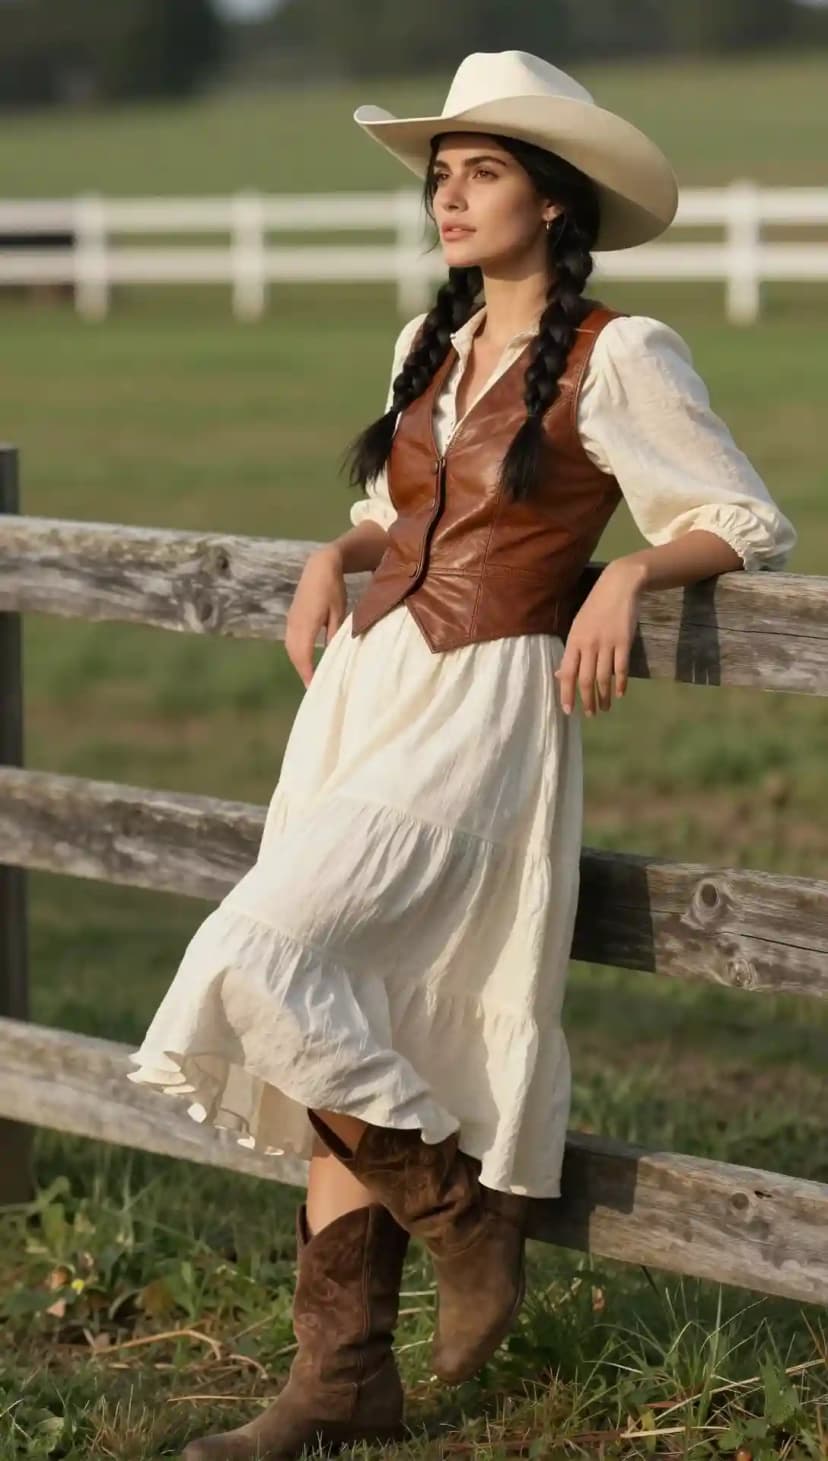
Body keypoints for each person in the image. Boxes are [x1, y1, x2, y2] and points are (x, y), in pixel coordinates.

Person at [126, 50, 798, 1461]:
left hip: (483, 710)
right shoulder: (425, 343)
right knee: (339, 996)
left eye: (482, 171)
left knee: (259, 954)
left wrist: (629, 574)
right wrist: (338, 551)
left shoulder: (622, 352)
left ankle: (460, 1213)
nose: (449, 194)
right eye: (442, 173)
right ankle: (340, 1382)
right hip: (365, 695)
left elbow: (742, 517)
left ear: (553, 200)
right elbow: (400, 513)